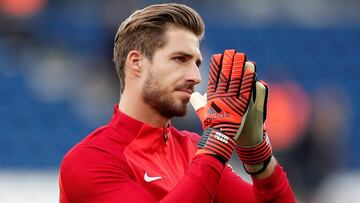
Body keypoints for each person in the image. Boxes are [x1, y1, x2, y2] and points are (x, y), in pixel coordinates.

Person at [59, 3, 295, 202]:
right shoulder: (89, 161)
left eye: (197, 63)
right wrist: (218, 140)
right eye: (180, 59)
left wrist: (259, 158)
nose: (195, 76)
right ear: (136, 62)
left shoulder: (194, 149)